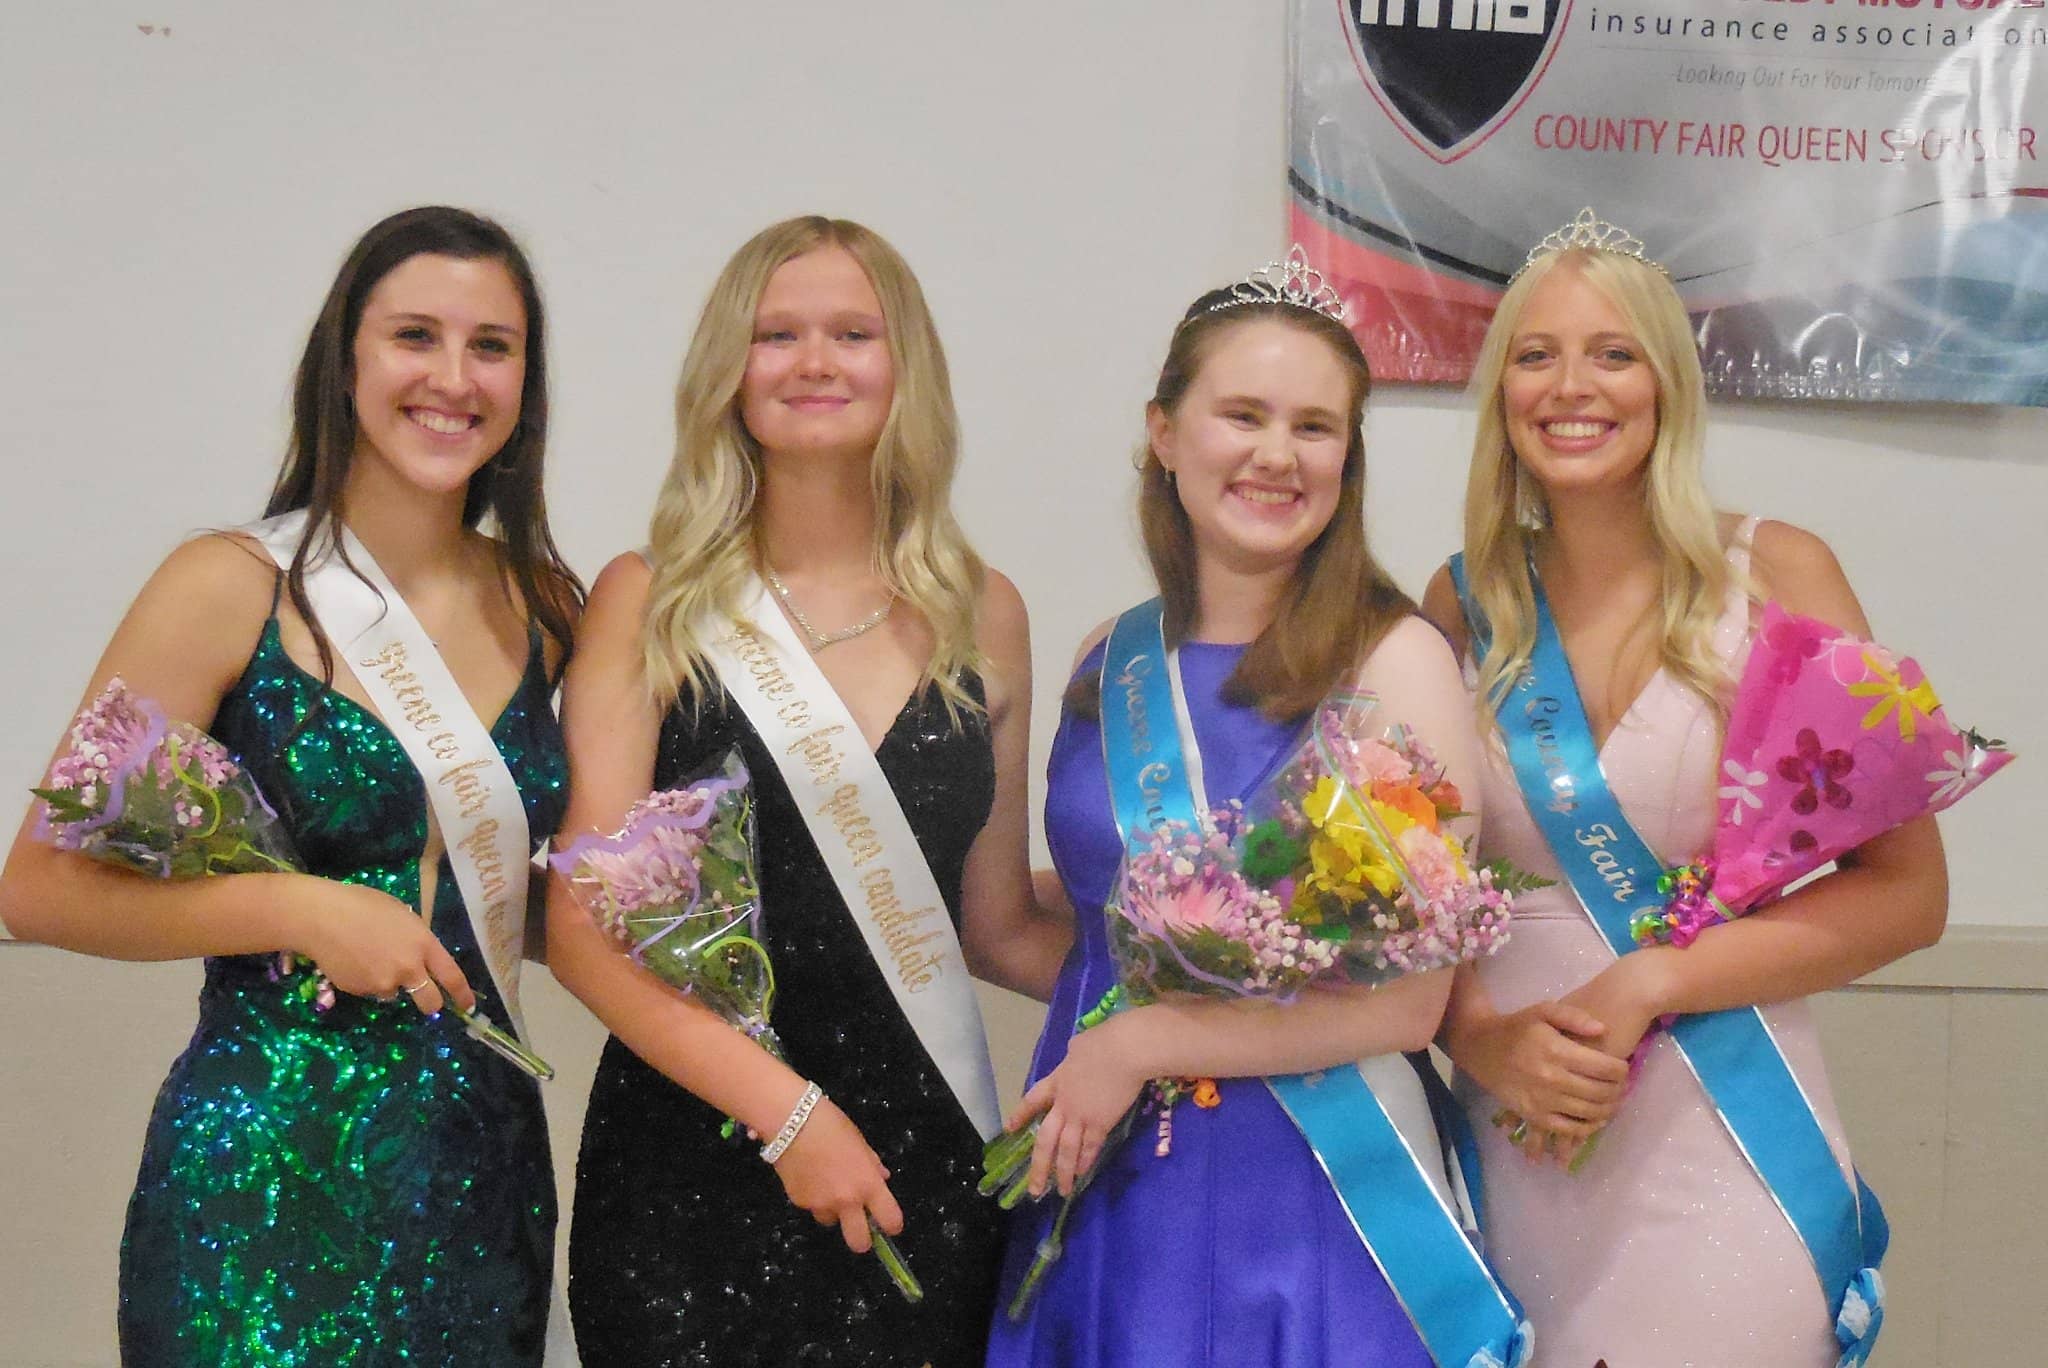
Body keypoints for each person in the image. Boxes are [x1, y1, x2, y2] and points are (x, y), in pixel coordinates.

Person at [0, 205, 583, 1365]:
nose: (452, 379)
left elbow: (525, 896)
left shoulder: (549, 605)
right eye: (415, 336)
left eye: (492, 346)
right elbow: (36, 889)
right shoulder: (229, 584)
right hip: (262, 1175)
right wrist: (301, 908)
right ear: (346, 360)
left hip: (479, 1175)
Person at [1425, 210, 1947, 1367]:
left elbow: (1907, 896)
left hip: (1720, 1128)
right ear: (1500, 386)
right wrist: (1478, 1038)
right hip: (1519, 1135)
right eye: (1534, 353)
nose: (1572, 386)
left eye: (1613, 353)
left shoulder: (1778, 572)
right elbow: (1416, 899)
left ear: (1667, 382)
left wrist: (1658, 972)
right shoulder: (1460, 606)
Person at [548, 215, 1066, 1367]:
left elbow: (994, 925)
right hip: (693, 1158)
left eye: (851, 332)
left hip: (922, 1162)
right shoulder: (650, 600)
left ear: (906, 368)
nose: (814, 362)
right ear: (726, 371)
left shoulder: (984, 613)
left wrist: (1205, 982)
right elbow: (581, 931)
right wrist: (787, 1116)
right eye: (776, 334)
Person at [986, 253, 1502, 1368]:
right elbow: (1084, 919)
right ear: (1164, 432)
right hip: (1104, 1168)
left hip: (1315, 1180)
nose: (1278, 454)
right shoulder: (1103, 660)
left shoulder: (1394, 660)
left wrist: (1146, 1040)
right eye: (1242, 414)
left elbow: (1410, 1002)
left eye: (1315, 428)